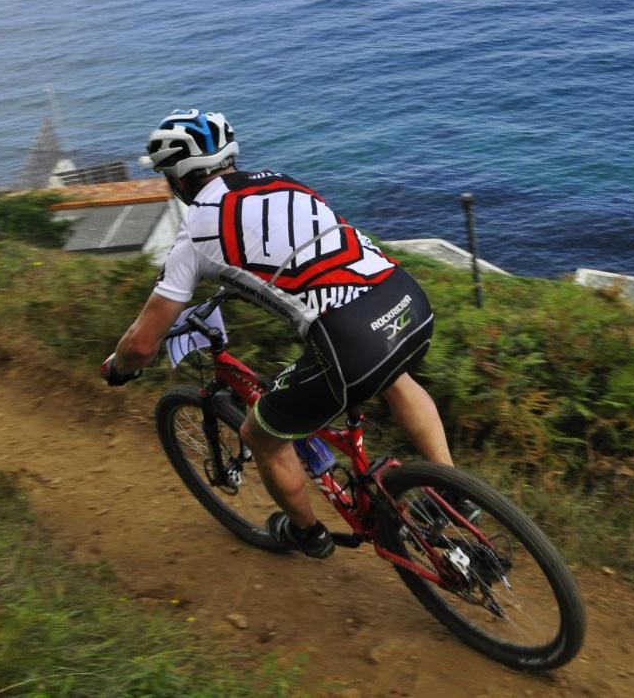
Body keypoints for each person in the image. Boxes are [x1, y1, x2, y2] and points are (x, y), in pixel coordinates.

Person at [101, 109, 454, 559]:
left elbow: (142, 343)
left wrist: (119, 369)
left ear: (179, 179)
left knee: (260, 435)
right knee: (395, 379)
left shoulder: (192, 237)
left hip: (349, 341)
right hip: (407, 300)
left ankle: (307, 534)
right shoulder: (283, 180)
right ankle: (453, 493)